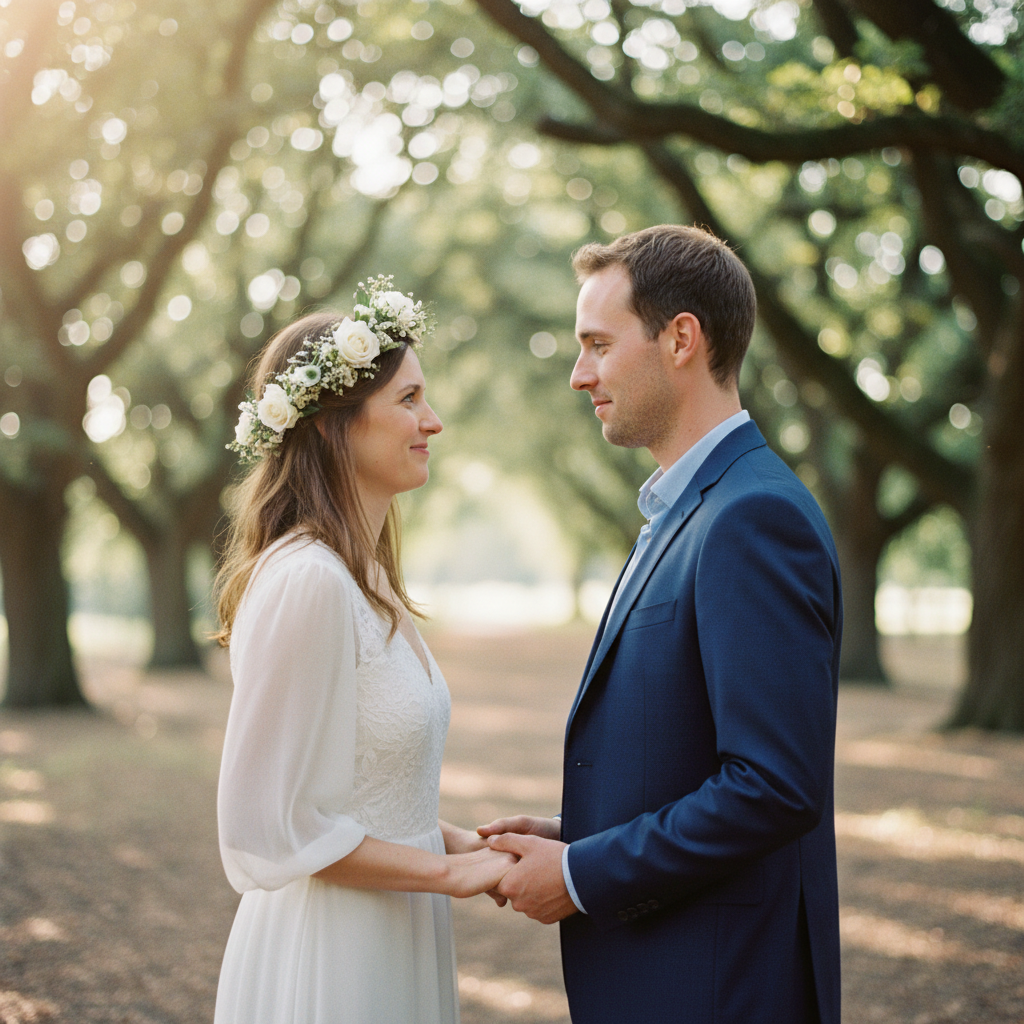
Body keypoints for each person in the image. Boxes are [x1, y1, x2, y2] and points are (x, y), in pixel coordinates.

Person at [479, 227, 842, 1024]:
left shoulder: (753, 518)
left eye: (598, 345)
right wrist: (580, 834)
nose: (580, 376)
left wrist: (582, 876)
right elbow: (694, 749)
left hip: (717, 990)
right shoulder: (691, 508)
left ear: (681, 338)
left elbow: (774, 786)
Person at [212, 278, 515, 1024]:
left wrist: (473, 844)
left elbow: (366, 793)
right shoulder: (307, 581)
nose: (433, 421)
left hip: (395, 927)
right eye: (409, 399)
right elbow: (270, 825)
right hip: (330, 949)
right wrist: (449, 875)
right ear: (330, 425)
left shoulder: (364, 577)